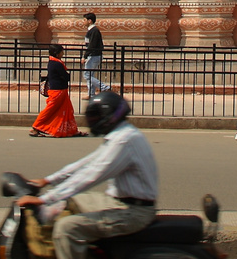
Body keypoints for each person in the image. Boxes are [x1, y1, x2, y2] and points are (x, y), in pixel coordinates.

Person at [18, 90, 157, 259]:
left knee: (66, 229)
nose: (93, 122)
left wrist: (45, 199)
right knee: (66, 203)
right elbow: (87, 163)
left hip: (134, 212)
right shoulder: (121, 135)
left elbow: (91, 175)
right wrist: (47, 180)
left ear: (109, 116)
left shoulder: (124, 141)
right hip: (118, 200)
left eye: (95, 117)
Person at [30, 44, 81, 138]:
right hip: (58, 90)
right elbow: (65, 76)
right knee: (50, 110)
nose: (63, 53)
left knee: (67, 110)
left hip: (60, 90)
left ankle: (72, 130)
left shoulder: (53, 62)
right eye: (61, 52)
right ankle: (35, 127)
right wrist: (67, 75)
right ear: (57, 53)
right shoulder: (57, 64)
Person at [82, 12, 110, 96]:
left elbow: (92, 45)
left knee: (87, 75)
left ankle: (104, 88)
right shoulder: (91, 31)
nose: (83, 22)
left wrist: (85, 56)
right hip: (93, 55)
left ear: (89, 21)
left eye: (84, 20)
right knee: (90, 75)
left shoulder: (94, 31)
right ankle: (91, 94)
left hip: (94, 55)